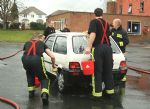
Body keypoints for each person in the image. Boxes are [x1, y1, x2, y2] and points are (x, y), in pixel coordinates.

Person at [85, 8, 114, 99]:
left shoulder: (94, 22)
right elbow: (106, 35)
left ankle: (97, 94)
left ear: (94, 14)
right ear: (102, 14)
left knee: (97, 72)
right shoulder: (106, 23)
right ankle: (110, 92)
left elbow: (93, 35)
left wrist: (89, 47)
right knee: (108, 70)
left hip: (98, 48)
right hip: (108, 48)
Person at [21, 32, 56, 105]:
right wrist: (53, 65)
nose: (43, 40)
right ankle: (44, 95)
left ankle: (31, 93)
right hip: (36, 60)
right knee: (44, 78)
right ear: (39, 38)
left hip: (25, 60)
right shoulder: (42, 43)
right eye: (43, 38)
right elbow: (52, 56)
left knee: (30, 74)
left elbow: (25, 51)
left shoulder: (27, 42)